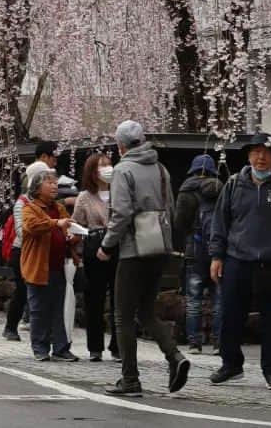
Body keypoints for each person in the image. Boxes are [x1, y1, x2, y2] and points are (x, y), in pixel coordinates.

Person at [209, 132, 271, 390]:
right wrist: (216, 256)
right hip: (237, 259)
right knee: (230, 315)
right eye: (255, 152)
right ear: (248, 156)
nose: (260, 157)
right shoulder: (233, 184)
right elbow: (220, 223)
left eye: (266, 152)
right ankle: (231, 364)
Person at [96, 120, 189, 398]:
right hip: (158, 248)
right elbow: (170, 209)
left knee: (123, 315)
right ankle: (174, 356)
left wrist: (107, 245)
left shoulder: (123, 170)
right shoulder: (161, 169)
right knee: (146, 311)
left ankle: (130, 379)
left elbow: (121, 213)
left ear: (120, 145)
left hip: (132, 250)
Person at [21, 168, 77, 362]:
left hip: (59, 266)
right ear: (38, 187)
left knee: (59, 308)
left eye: (55, 183)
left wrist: (72, 235)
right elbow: (32, 226)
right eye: (50, 183)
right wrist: (56, 224)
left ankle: (61, 347)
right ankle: (40, 347)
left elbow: (69, 226)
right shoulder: (30, 208)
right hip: (38, 267)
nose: (54, 186)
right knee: (39, 309)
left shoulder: (59, 208)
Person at [173, 154, 224, 355]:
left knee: (194, 299)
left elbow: (179, 223)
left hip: (194, 250)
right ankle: (219, 342)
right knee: (219, 300)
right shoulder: (222, 189)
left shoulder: (186, 191)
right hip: (218, 251)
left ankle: (194, 343)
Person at [71, 152, 119, 362]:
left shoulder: (120, 192)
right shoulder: (84, 197)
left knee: (120, 298)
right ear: (92, 171)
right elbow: (76, 224)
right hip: (94, 246)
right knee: (94, 298)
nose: (107, 169)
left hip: (118, 246)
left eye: (109, 165)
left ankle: (118, 346)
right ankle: (95, 347)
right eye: (101, 166)